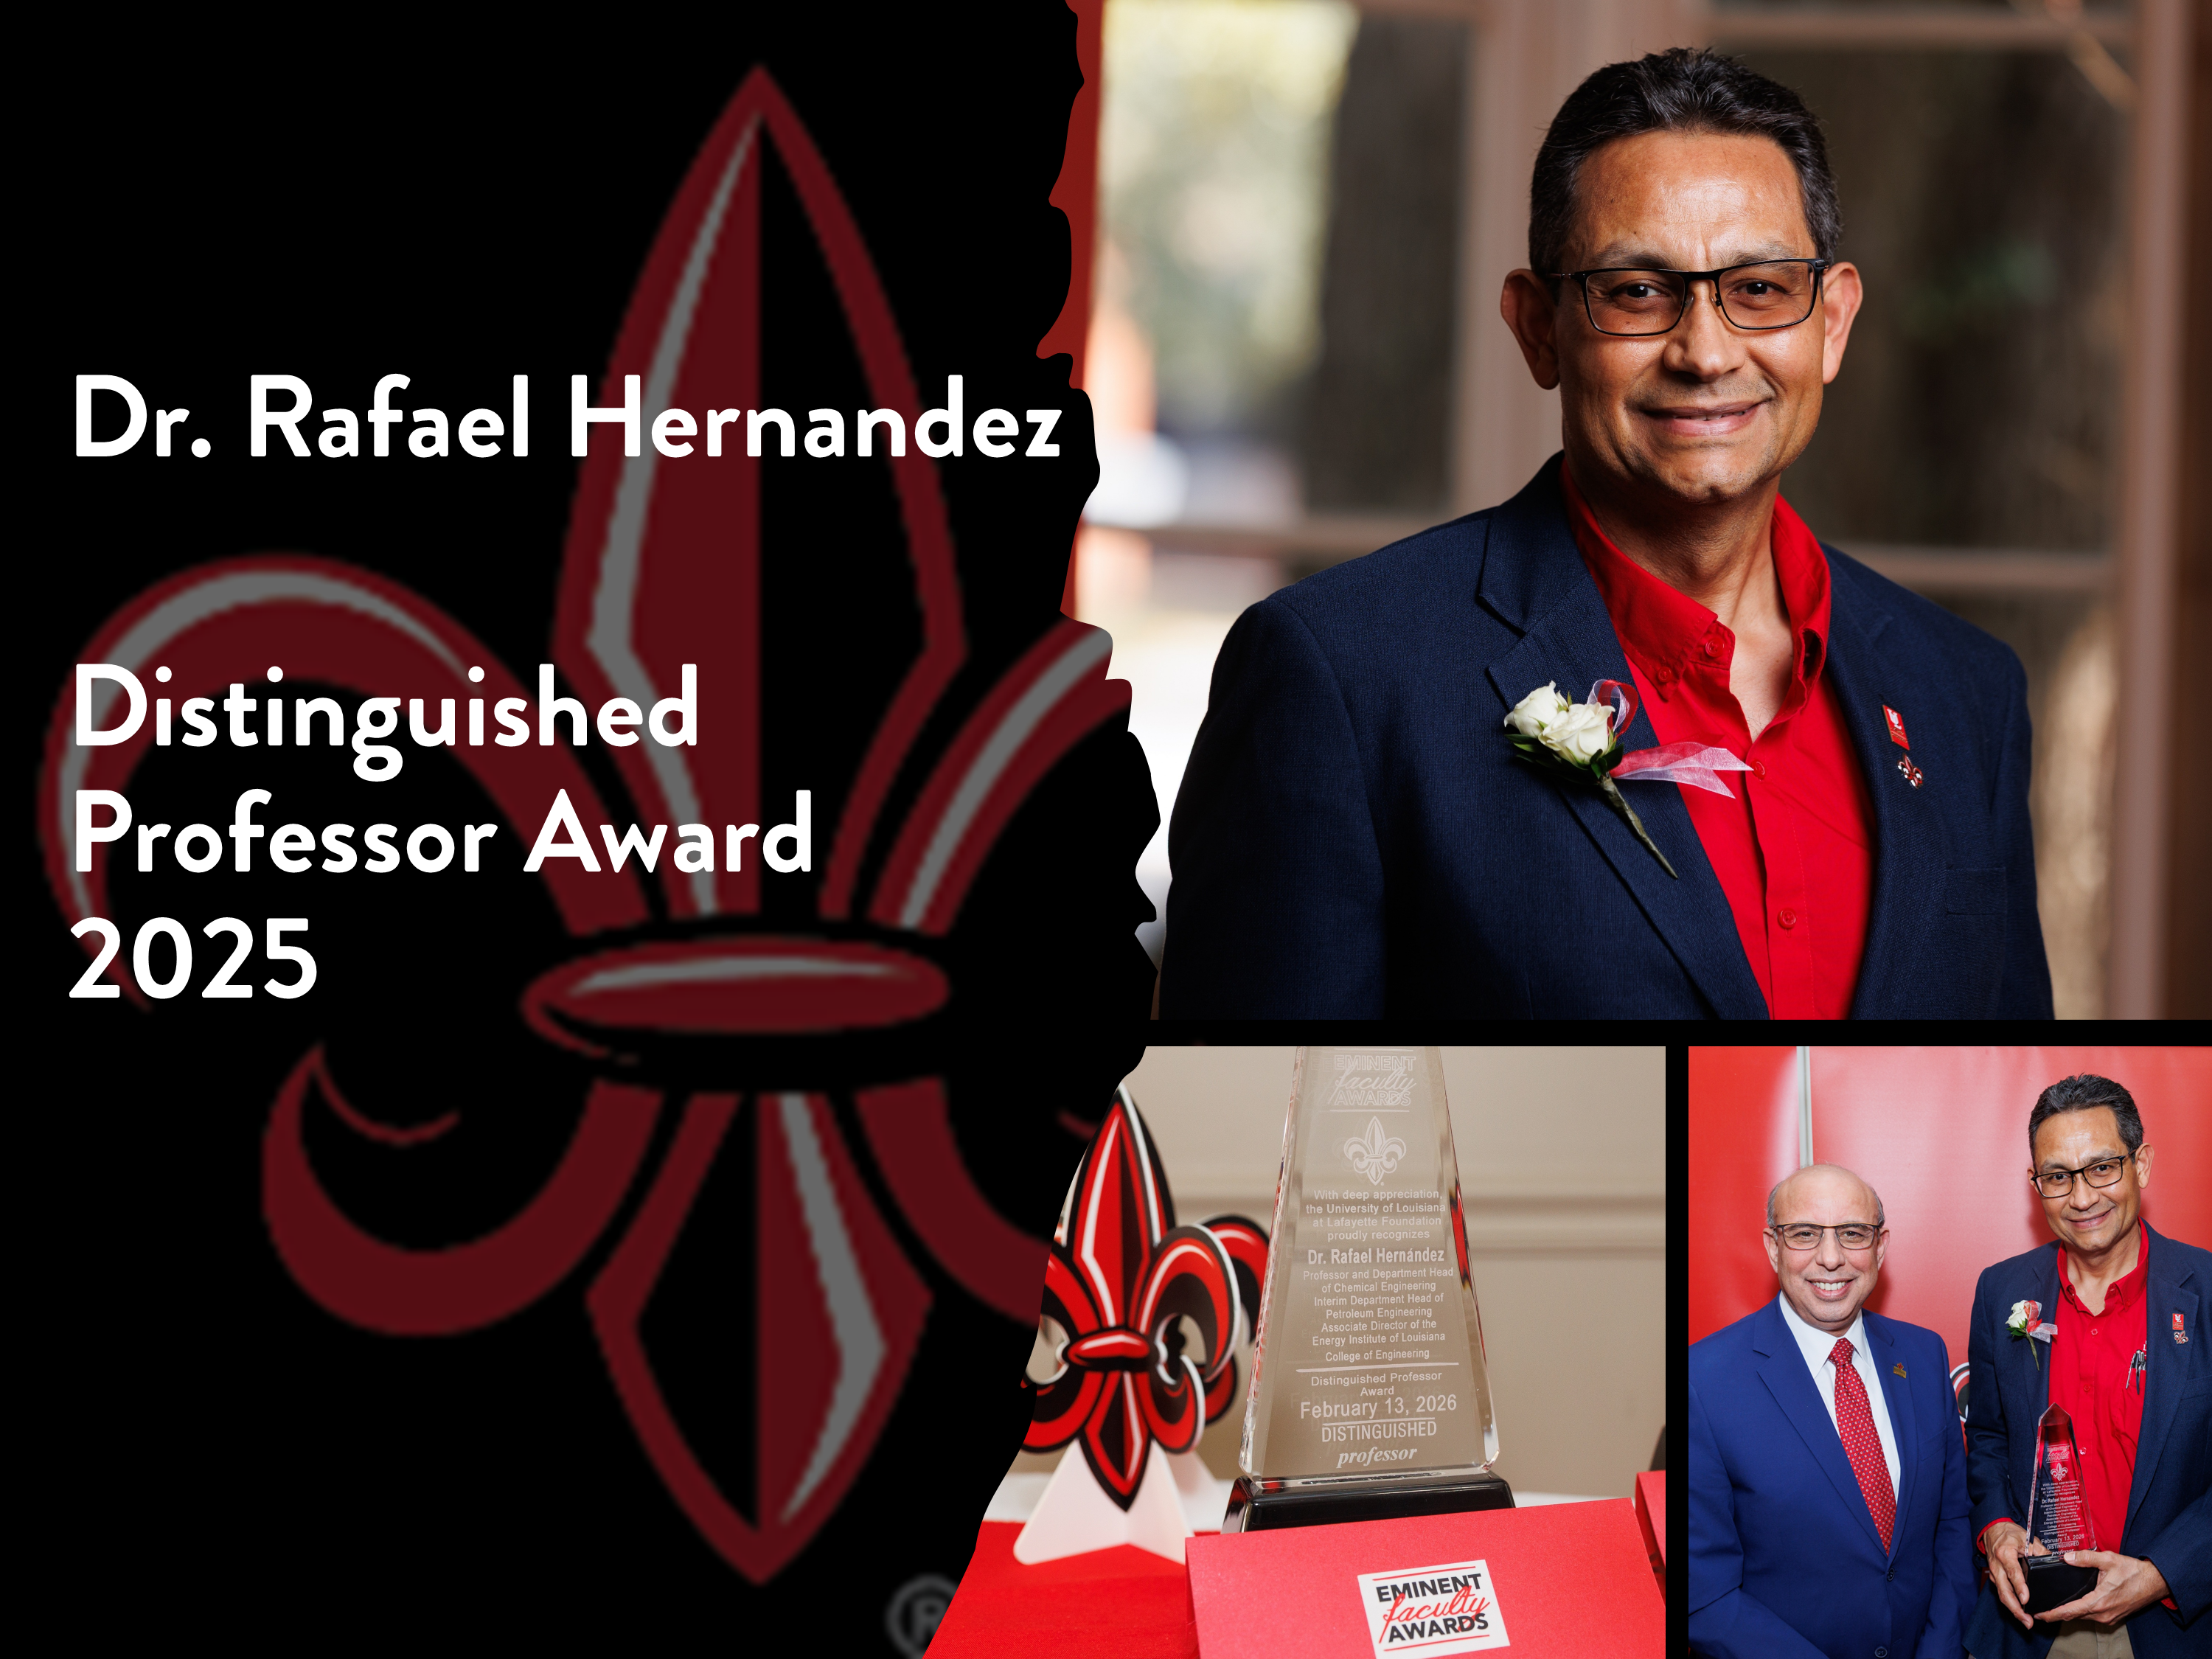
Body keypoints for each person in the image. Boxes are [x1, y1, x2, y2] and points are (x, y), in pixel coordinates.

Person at [1157, 48, 2051, 1018]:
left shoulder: (1968, 693)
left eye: (1757, 288)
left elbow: (1998, 1094)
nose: (1706, 352)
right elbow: (1251, 1148)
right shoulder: (1340, 681)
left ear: (1830, 323)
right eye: (1636, 292)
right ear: (1538, 328)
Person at [1964, 1075, 2211, 1659]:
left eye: (2103, 1168)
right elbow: (1990, 1438)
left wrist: (2162, 1574)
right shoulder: (2001, 1291)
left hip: (2173, 1625)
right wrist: (1997, 1526)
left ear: (2142, 1164)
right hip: (2034, 1625)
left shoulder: (2205, 1290)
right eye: (2058, 1177)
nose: (2082, 1198)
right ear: (2036, 1185)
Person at [1688, 1164, 1975, 1658]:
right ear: (1773, 1247)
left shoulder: (1924, 1356)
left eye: (1852, 1234)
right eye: (1804, 1234)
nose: (1831, 1258)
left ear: (1880, 1247)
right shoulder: (1704, 1380)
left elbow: (1952, 1527)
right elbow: (1706, 1595)